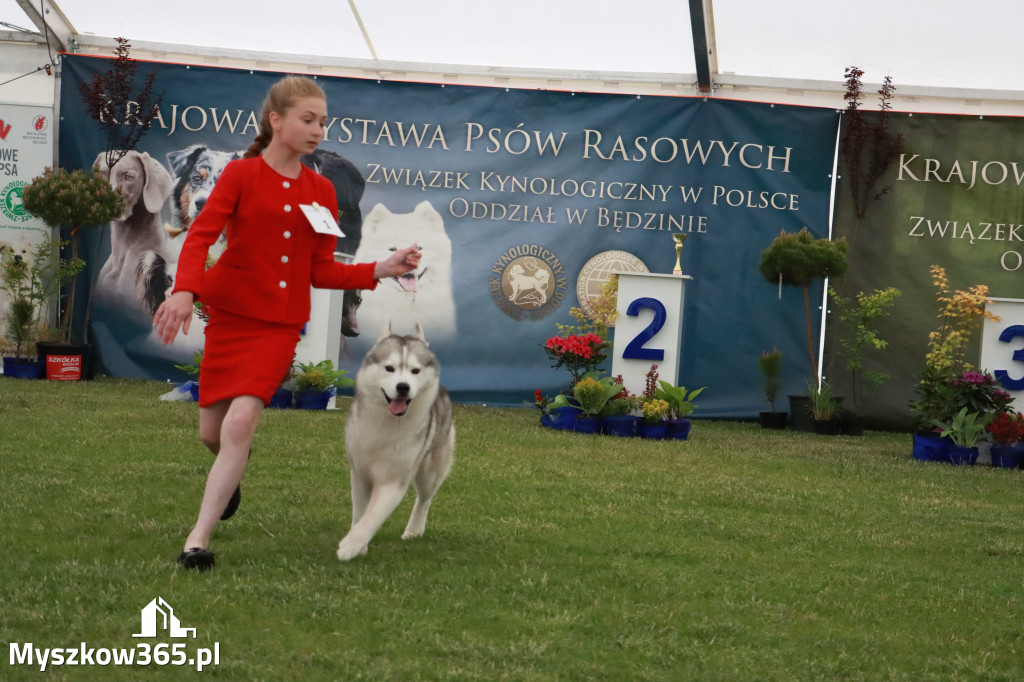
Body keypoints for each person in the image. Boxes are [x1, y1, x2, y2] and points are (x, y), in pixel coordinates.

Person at [153, 75, 420, 571]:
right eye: (308, 119)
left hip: (278, 327)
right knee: (212, 435)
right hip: (230, 319)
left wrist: (380, 268)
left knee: (240, 423)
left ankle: (197, 539)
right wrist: (185, 289)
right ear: (276, 120)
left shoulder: (322, 190)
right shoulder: (239, 176)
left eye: (323, 121)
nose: (319, 129)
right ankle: (231, 472)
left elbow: (321, 268)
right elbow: (200, 237)